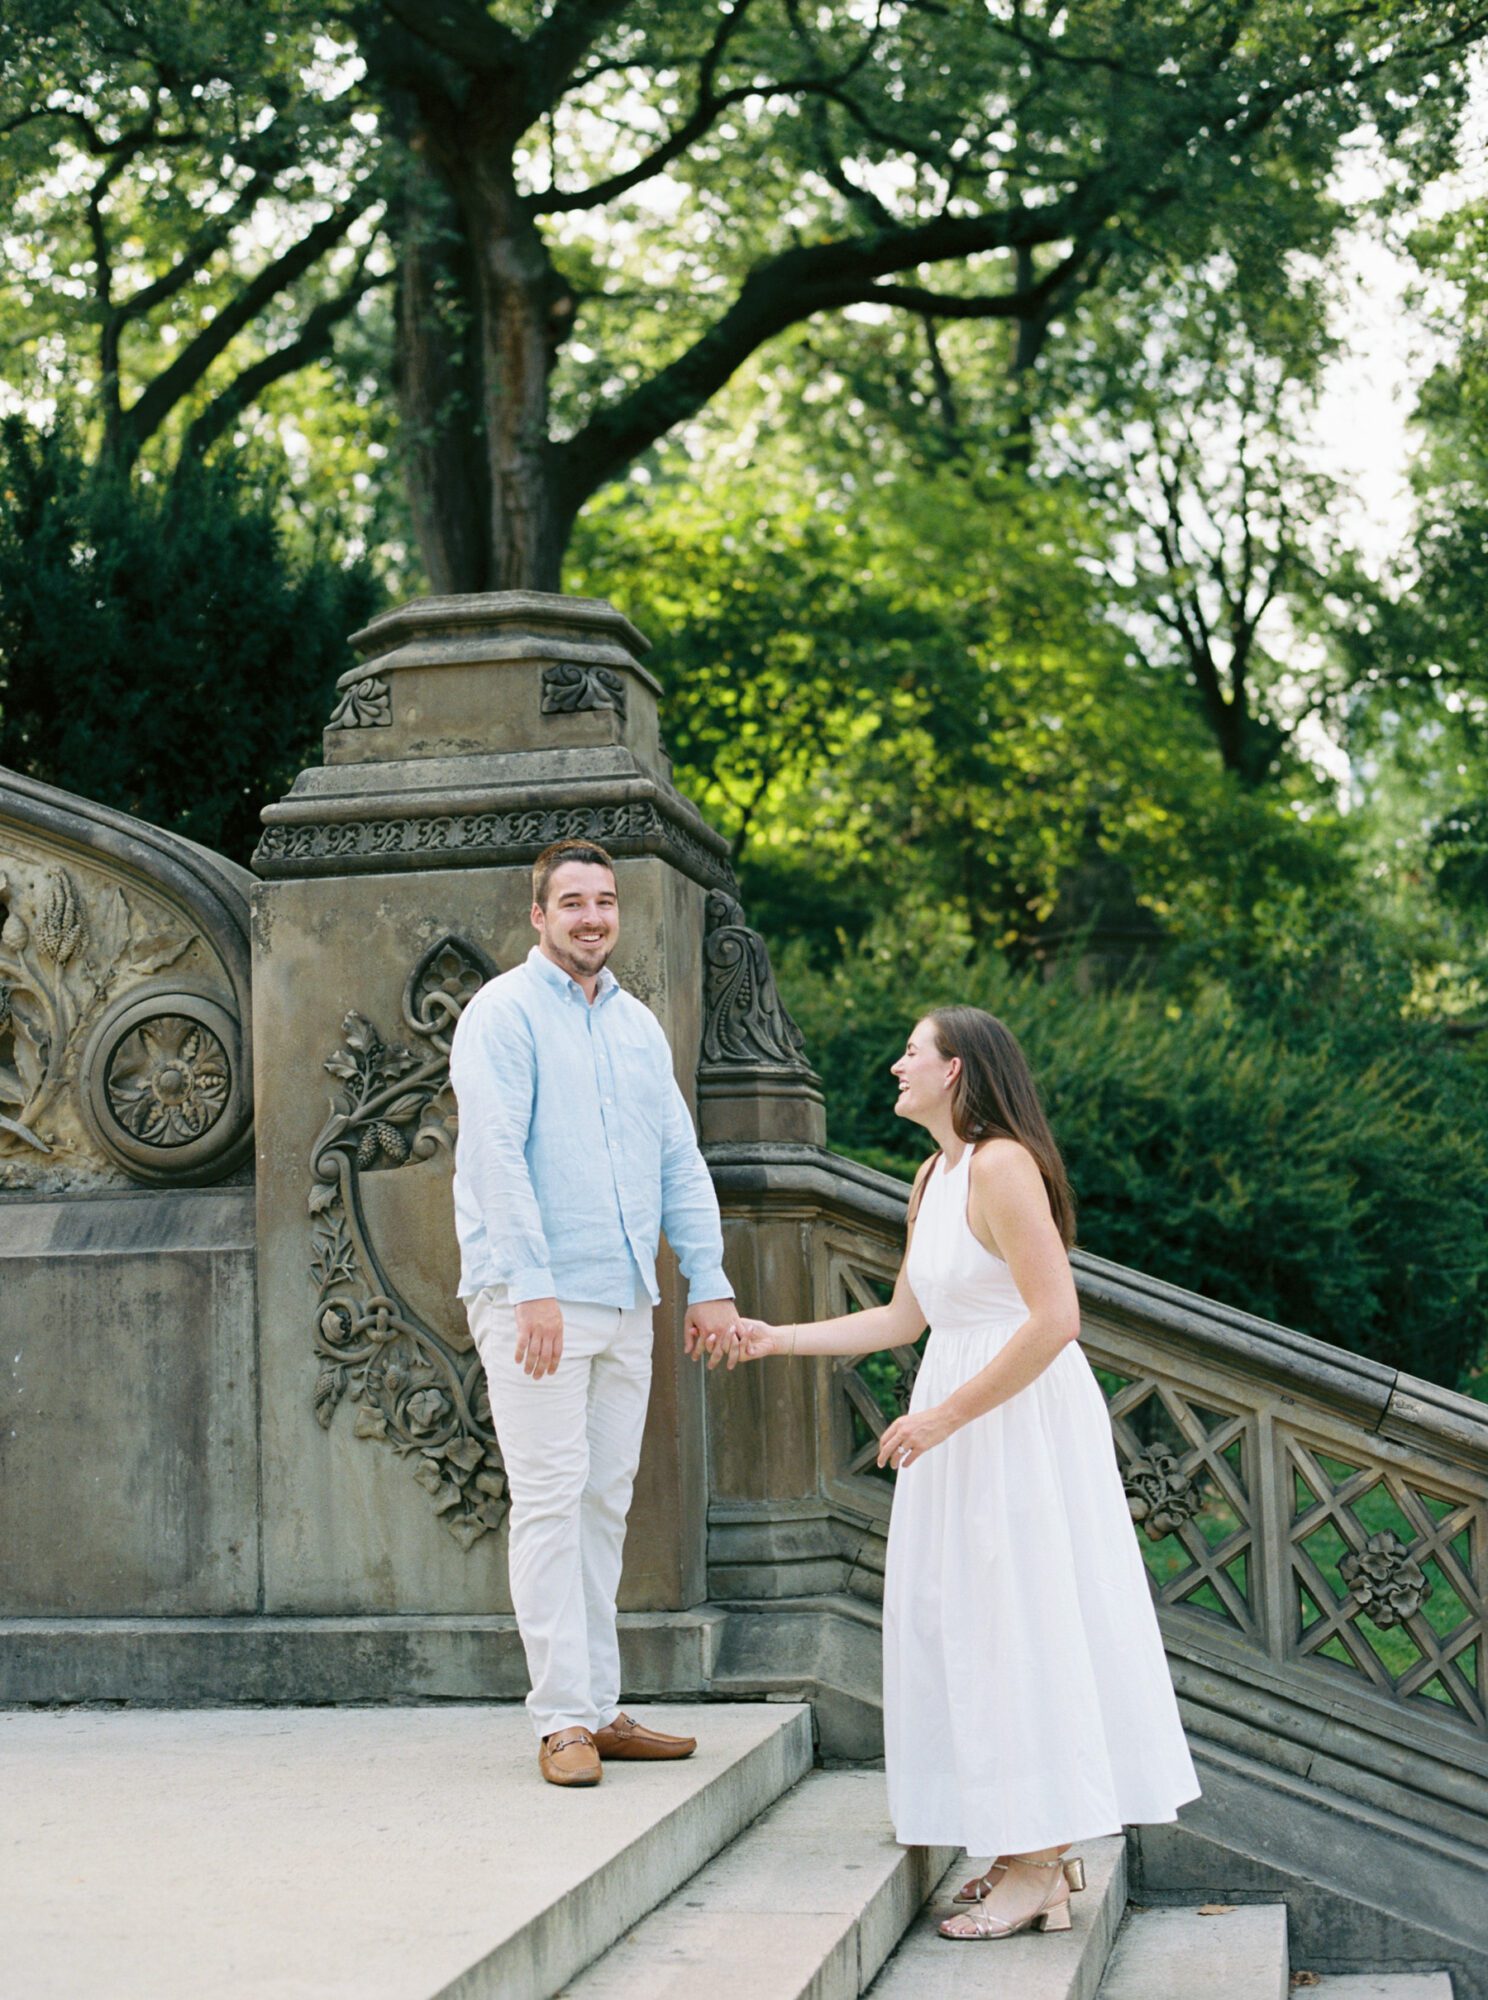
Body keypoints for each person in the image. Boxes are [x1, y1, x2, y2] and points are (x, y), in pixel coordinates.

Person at [721, 1006, 1199, 1939]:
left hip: (1013, 1423)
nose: (896, 1063)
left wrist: (943, 1414)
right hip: (960, 1414)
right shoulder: (932, 1175)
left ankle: (1032, 1864)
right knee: (969, 1623)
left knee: (1015, 1619)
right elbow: (904, 1319)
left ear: (959, 1072)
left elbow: (1055, 1318)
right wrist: (775, 1337)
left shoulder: (1003, 1165)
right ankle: (1034, 1856)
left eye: (913, 1051)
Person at [449, 837, 738, 1789]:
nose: (591, 917)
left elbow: (677, 1161)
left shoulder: (637, 1028)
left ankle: (600, 1708)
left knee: (604, 1502)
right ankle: (561, 1720)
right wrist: (530, 1284)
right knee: (547, 1500)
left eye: (605, 902)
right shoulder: (503, 1013)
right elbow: (493, 1152)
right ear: (538, 916)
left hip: (625, 1300)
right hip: (537, 1298)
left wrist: (710, 1279)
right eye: (571, 902)